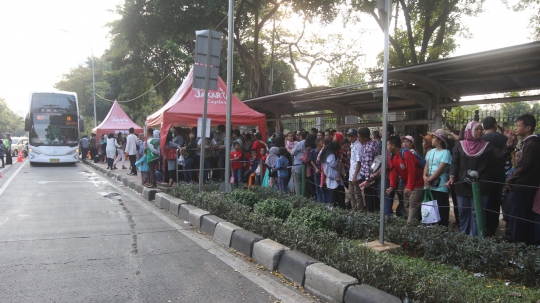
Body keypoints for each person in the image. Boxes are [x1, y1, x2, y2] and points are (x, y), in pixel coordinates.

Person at [446, 121, 509, 237]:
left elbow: (500, 156)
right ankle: (464, 236)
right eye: (477, 129)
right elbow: (455, 163)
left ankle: (475, 239)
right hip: (462, 185)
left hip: (481, 185)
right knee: (463, 212)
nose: (480, 131)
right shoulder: (460, 145)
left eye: (481, 129)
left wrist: (509, 144)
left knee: (478, 213)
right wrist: (451, 177)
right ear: (469, 131)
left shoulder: (487, 146)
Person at [506, 114, 540, 245]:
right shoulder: (530, 142)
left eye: (518, 126)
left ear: (528, 128)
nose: (516, 128)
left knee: (518, 218)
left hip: (522, 186)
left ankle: (519, 246)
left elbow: (523, 166)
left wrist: (510, 179)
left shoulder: (531, 143)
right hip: (526, 186)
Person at [481, 117, 510, 236]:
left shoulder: (482, 139)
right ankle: (493, 226)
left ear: (483, 126)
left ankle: (484, 224)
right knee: (495, 200)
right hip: (500, 173)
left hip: (485, 174)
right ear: (495, 125)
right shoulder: (503, 138)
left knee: (484, 200)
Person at [386, 136, 424, 224]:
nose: (387, 147)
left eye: (388, 145)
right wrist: (392, 185)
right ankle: (414, 223)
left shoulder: (407, 155)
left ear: (393, 146)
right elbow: (393, 171)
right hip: (407, 184)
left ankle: (409, 226)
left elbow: (411, 172)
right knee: (406, 204)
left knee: (413, 204)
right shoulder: (392, 156)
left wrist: (410, 187)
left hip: (417, 183)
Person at [423, 129, 452, 227]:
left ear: (440, 140)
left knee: (441, 206)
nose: (432, 139)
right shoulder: (430, 152)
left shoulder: (446, 152)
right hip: (428, 183)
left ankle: (442, 227)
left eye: (434, 138)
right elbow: (426, 165)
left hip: (440, 184)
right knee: (429, 206)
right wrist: (424, 176)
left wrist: (429, 179)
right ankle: (430, 225)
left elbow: (440, 169)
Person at [358, 127, 380, 213]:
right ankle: (374, 211)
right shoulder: (373, 143)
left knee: (369, 195)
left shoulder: (368, 148)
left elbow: (367, 164)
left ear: (365, 138)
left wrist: (367, 179)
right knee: (372, 195)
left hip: (369, 176)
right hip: (373, 174)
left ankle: (370, 213)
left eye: (359, 137)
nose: (358, 138)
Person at [347, 128, 364, 211]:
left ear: (356, 136)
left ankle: (359, 210)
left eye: (352, 136)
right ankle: (354, 210)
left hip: (356, 175)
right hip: (351, 173)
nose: (350, 138)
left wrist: (354, 176)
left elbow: (359, 162)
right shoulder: (352, 145)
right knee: (351, 194)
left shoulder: (358, 146)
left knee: (357, 194)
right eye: (349, 136)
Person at [320, 141, 342, 206]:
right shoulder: (331, 154)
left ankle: (334, 204)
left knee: (333, 192)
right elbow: (332, 163)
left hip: (328, 173)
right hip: (333, 174)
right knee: (338, 191)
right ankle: (339, 206)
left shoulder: (325, 152)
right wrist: (337, 162)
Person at [290, 131, 307, 196]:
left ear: (301, 136)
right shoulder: (311, 143)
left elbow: (292, 153)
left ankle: (299, 198)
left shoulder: (299, 143)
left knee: (298, 183)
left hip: (298, 165)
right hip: (307, 166)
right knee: (305, 182)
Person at [310, 138, 325, 202]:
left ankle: (324, 202)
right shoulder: (313, 151)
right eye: (322, 141)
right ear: (318, 142)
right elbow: (311, 161)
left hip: (323, 173)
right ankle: (319, 202)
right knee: (318, 188)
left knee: (323, 188)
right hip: (317, 172)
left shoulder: (324, 151)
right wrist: (316, 168)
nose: (323, 142)